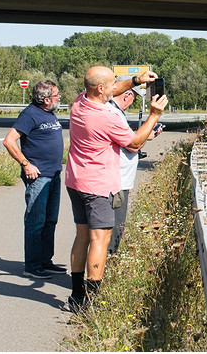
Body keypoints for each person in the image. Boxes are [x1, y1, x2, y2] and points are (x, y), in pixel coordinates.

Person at [64, 67, 167, 312]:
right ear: (101, 89)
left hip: (75, 180)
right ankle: (92, 301)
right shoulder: (107, 117)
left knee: (81, 236)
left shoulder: (81, 102)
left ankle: (76, 296)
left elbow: (113, 89)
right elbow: (134, 142)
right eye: (111, 85)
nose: (115, 88)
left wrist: (134, 81)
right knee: (100, 240)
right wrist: (154, 115)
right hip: (98, 186)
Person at [1, 80, 67, 279]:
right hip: (38, 177)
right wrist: (25, 164)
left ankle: (45, 261)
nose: (59, 98)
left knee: (50, 221)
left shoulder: (48, 112)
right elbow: (9, 140)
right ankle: (32, 266)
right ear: (46, 100)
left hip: (53, 174)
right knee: (35, 222)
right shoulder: (29, 114)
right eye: (57, 96)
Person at [106, 87, 162, 256]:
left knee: (115, 226)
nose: (132, 103)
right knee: (115, 226)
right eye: (134, 98)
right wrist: (146, 132)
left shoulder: (115, 113)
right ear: (127, 95)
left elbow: (133, 142)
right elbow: (133, 145)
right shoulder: (114, 114)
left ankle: (106, 264)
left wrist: (146, 136)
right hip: (117, 181)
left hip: (120, 179)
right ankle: (106, 265)